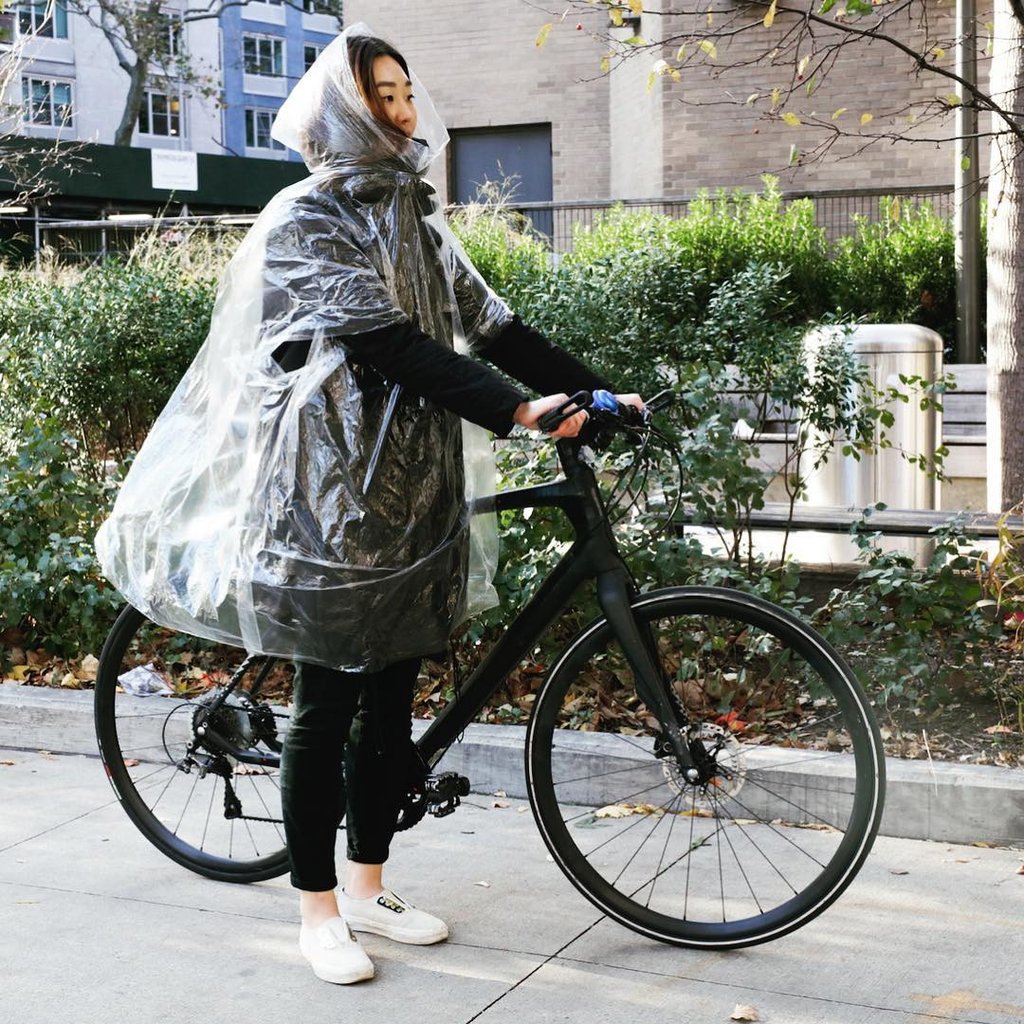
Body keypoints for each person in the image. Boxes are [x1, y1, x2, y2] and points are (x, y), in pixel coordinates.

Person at [96, 22, 641, 986]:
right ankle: (314, 909)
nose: (400, 110)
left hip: (416, 491)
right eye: (377, 96)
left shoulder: (417, 221)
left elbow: (495, 329)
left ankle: (366, 884)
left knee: (393, 701)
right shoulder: (307, 219)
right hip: (323, 501)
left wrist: (601, 395)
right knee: (328, 700)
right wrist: (520, 412)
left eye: (403, 92)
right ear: (342, 111)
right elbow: (391, 344)